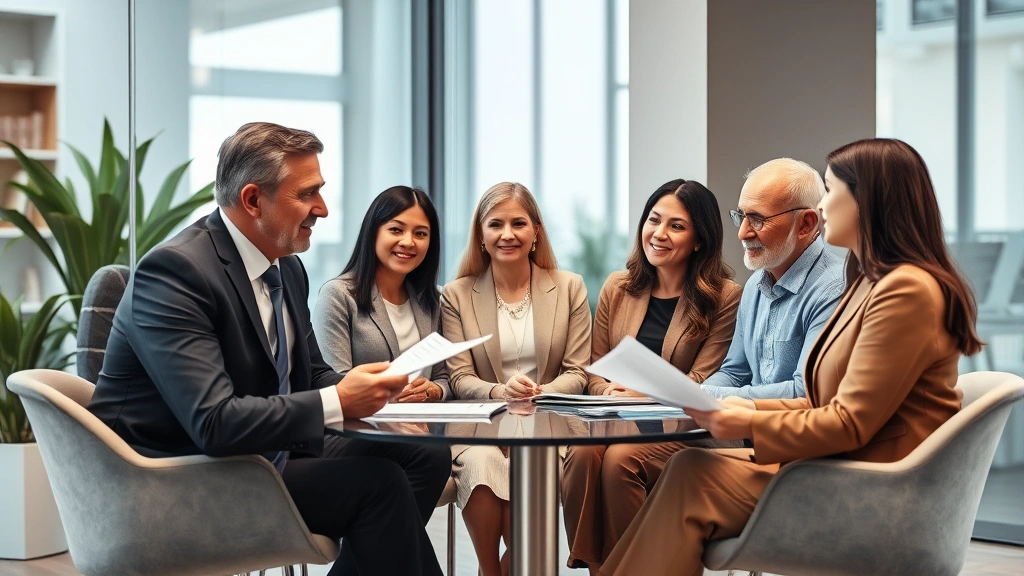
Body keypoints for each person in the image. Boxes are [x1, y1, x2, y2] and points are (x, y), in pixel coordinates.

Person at [597, 138, 983, 576]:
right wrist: (725, 405)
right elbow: (823, 402)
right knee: (687, 467)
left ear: (868, 203)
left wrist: (746, 418)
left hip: (871, 484)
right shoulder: (871, 283)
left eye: (832, 191)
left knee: (692, 474)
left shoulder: (904, 290)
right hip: (835, 463)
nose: (823, 205)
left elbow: (848, 421)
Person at [88, 123, 450, 576]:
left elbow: (313, 375)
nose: (322, 208)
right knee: (378, 485)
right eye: (308, 194)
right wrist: (340, 400)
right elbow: (214, 422)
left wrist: (374, 394)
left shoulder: (288, 270)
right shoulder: (177, 271)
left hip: (261, 454)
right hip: (177, 477)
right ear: (253, 200)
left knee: (425, 455)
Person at [559, 179, 741, 574]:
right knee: (582, 453)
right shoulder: (617, 287)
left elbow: (704, 380)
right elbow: (597, 369)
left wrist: (644, 395)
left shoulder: (725, 296)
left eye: (676, 226)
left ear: (699, 239)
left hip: (684, 429)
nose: (659, 234)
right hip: (618, 421)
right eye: (653, 220)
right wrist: (609, 391)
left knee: (619, 461)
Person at [441, 182, 592, 576]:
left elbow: (578, 372)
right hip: (482, 428)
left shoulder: (569, 286)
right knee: (482, 463)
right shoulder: (456, 295)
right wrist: (499, 391)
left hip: (549, 428)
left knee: (533, 470)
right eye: (496, 225)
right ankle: (489, 570)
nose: (507, 234)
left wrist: (539, 392)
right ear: (481, 235)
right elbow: (458, 376)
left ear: (536, 231)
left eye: (518, 223)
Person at [700, 158, 846, 400]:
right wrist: (694, 396)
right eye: (741, 216)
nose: (742, 233)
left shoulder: (835, 288)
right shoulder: (754, 285)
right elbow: (735, 373)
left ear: (805, 224)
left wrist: (707, 394)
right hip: (746, 428)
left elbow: (805, 392)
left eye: (758, 219)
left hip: (784, 434)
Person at [313, 185, 449, 403]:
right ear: (373, 232)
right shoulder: (338, 295)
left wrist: (433, 390)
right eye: (396, 230)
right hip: (364, 429)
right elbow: (336, 382)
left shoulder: (433, 299)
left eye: (420, 233)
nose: (408, 242)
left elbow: (443, 376)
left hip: (422, 427)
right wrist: (390, 393)